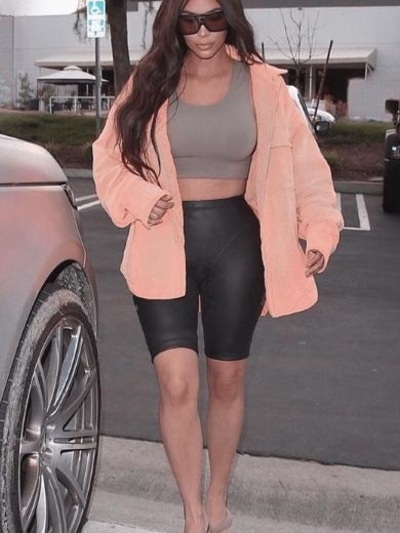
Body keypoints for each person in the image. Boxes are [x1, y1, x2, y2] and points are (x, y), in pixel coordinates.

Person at [92, 0, 344, 531]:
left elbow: (307, 167)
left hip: (237, 244)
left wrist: (319, 231)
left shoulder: (264, 85)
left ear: (231, 19)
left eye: (213, 19)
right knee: (176, 383)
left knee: (226, 381)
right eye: (190, 20)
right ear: (174, 23)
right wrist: (140, 197)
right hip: (162, 241)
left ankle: (217, 500)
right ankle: (192, 514)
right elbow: (107, 156)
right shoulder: (151, 80)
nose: (202, 31)